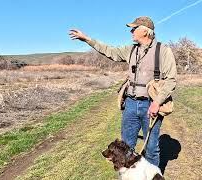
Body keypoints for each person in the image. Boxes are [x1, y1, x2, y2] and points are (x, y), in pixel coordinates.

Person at [69, 16, 177, 167]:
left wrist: (157, 103)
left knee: (151, 150)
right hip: (130, 104)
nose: (131, 31)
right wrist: (87, 39)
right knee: (125, 148)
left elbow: (171, 80)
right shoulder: (131, 50)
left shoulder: (163, 51)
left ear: (145, 31)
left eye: (134, 28)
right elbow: (109, 51)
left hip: (151, 105)